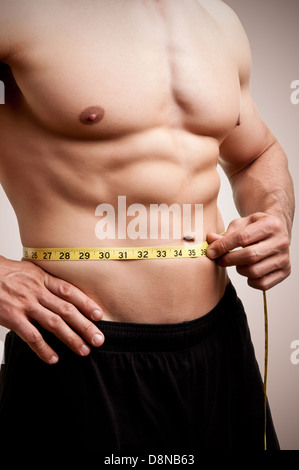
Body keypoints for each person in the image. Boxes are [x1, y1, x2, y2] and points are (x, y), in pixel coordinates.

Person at [0, 0, 294, 454]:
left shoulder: (216, 19)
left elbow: (257, 152)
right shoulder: (18, 13)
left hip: (221, 344)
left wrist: (275, 215)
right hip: (77, 349)